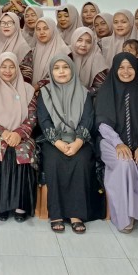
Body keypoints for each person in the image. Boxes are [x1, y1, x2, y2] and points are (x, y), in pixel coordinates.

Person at [96, 53, 138, 233]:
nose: (126, 71)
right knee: (123, 164)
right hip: (111, 141)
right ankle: (124, 218)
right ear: (115, 69)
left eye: (130, 67)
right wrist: (118, 143)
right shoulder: (106, 90)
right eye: (121, 67)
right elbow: (102, 123)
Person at [37, 55, 104, 233]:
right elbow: (44, 121)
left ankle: (77, 213)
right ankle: (56, 213)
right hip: (53, 140)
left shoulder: (84, 93)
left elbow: (87, 118)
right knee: (53, 161)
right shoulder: (45, 93)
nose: (61, 71)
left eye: (65, 67)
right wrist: (57, 142)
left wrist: (78, 142)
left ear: (72, 70)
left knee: (81, 162)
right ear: (51, 72)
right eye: (56, 68)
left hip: (79, 140)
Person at [0, 53, 37, 221]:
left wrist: (18, 133)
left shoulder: (28, 89)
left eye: (11, 66)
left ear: (17, 68)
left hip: (21, 134)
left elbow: (33, 117)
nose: (7, 71)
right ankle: (0, 204)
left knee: (21, 151)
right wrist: (2, 132)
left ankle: (21, 204)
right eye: (3, 66)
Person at [23, 17, 70, 90]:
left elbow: (63, 75)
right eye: (38, 29)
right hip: (32, 93)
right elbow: (26, 73)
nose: (41, 32)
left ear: (53, 29)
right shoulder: (32, 51)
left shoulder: (64, 51)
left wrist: (37, 87)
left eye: (45, 28)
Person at [0, 12, 33, 80]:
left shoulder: (23, 47)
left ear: (16, 25)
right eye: (3, 23)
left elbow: (27, 76)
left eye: (10, 23)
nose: (6, 26)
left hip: (15, 87)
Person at [69, 27, 108, 93]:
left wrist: (81, 92)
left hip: (90, 98)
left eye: (88, 42)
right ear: (73, 40)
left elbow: (101, 86)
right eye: (79, 40)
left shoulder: (97, 57)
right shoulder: (66, 54)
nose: (83, 45)